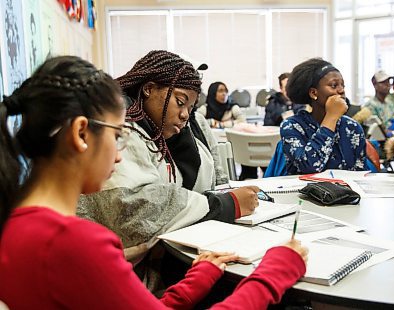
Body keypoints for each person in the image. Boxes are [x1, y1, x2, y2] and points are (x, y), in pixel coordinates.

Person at [0, 55, 308, 309]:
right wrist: (277, 269)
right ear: (82, 134)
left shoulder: (16, 224)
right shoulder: (76, 243)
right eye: (118, 136)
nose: (120, 157)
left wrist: (196, 279)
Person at [77, 51, 259, 265]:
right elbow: (134, 207)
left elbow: (217, 181)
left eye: (190, 107)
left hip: (189, 240)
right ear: (148, 89)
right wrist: (225, 205)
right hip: (131, 267)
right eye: (180, 102)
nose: (185, 115)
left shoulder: (188, 125)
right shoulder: (123, 127)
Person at [281, 58, 366, 174]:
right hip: (304, 190)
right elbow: (309, 167)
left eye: (343, 85)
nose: (341, 90)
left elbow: (359, 173)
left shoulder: (352, 127)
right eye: (334, 85)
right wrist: (331, 117)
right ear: (313, 93)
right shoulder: (292, 126)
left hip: (346, 190)